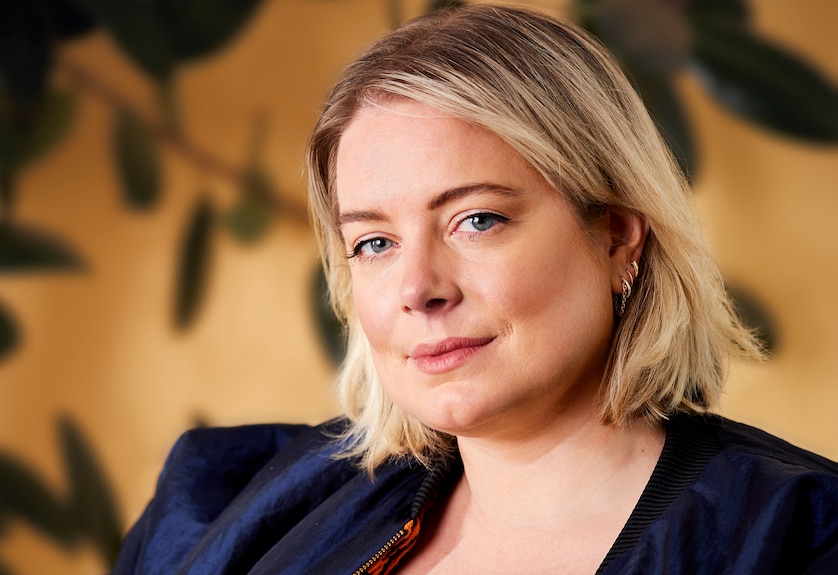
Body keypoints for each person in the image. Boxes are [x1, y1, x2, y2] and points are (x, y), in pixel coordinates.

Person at [112, 5, 838, 574]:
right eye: (374, 242)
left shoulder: (799, 536)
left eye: (476, 220)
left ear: (617, 234)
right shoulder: (229, 507)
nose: (418, 287)